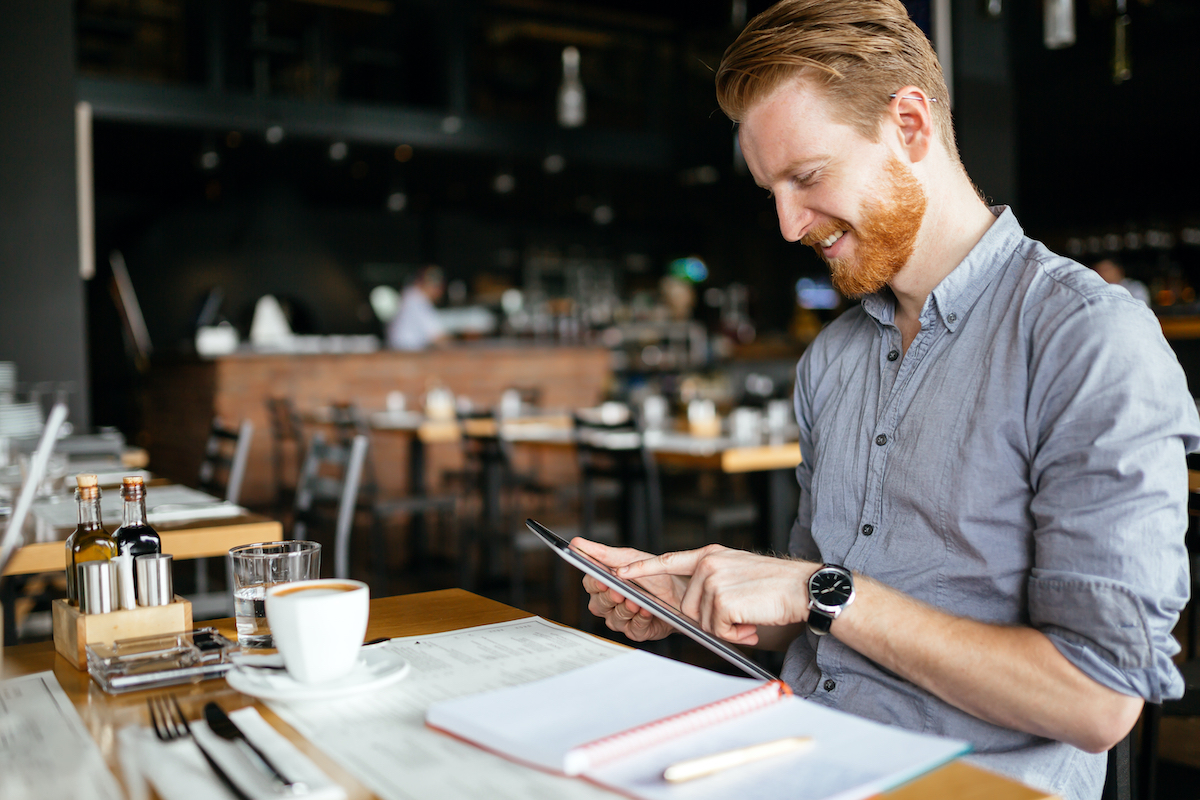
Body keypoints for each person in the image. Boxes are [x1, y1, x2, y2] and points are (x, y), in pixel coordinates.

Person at [574, 2, 1199, 798]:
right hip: (791, 753)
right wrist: (697, 593)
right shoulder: (832, 360)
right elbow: (816, 622)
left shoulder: (1089, 340)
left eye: (806, 177)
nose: (789, 224)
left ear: (908, 124)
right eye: (771, 190)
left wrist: (817, 589)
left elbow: (1098, 699)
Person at [387, 266, 447, 350]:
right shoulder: (416, 299)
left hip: (402, 352)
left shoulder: (410, 295)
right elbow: (438, 337)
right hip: (405, 354)